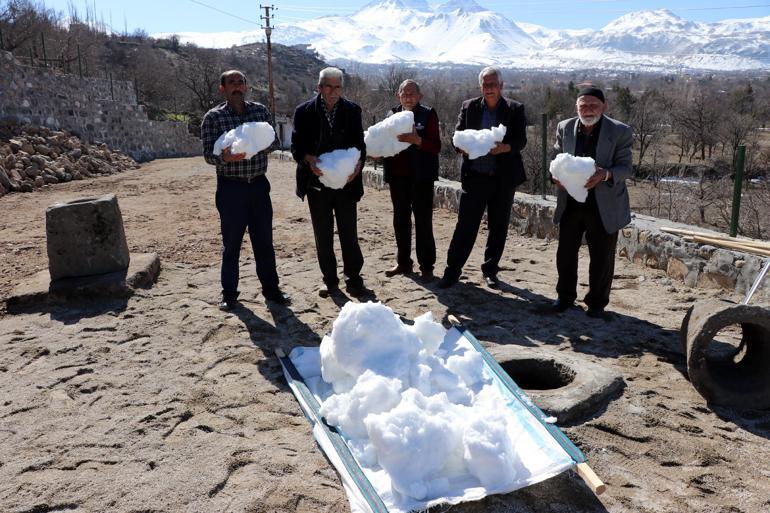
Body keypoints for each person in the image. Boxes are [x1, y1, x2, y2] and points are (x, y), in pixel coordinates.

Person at [201, 69, 289, 310]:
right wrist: (225, 159)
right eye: (232, 83)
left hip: (259, 186)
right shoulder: (213, 118)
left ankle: (272, 292)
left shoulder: (259, 111)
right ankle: (229, 295)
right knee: (231, 244)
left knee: (264, 243)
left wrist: (256, 144)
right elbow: (209, 155)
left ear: (246, 86)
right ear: (223, 88)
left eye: (241, 82)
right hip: (231, 190)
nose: (237, 86)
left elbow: (275, 143)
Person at [438, 66, 527, 289]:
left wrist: (505, 148)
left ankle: (490, 270)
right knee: (466, 226)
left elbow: (521, 141)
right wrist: (463, 148)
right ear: (481, 86)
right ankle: (452, 271)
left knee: (498, 227)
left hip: (502, 178)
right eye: (485, 85)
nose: (489, 88)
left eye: (493, 84)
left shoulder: (515, 109)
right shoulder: (469, 107)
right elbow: (456, 137)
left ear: (501, 86)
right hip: (475, 176)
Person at [551, 85, 633, 319]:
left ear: (604, 106)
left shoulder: (620, 131)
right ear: (576, 107)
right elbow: (556, 158)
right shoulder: (564, 127)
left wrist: (604, 174)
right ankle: (565, 297)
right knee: (565, 253)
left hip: (603, 205)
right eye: (583, 105)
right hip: (571, 202)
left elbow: (625, 167)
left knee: (602, 257)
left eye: (593, 105)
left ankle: (596, 303)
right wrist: (554, 176)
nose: (588, 110)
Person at [291, 67, 367, 298]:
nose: (334, 91)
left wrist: (358, 166)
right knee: (322, 235)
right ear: (320, 87)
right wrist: (308, 159)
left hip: (346, 183)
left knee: (349, 234)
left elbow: (360, 145)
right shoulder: (303, 111)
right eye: (329, 86)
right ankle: (330, 281)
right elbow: (296, 147)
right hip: (317, 183)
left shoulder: (352, 110)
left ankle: (353, 280)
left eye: (338, 87)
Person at [382, 79, 441, 282]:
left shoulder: (428, 114)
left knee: (423, 221)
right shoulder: (391, 115)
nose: (408, 97)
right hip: (398, 177)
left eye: (412, 93)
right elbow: (384, 144)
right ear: (398, 95)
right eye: (404, 93)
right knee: (400, 220)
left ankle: (427, 266)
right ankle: (403, 262)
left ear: (419, 96)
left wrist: (418, 140)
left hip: (421, 177)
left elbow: (436, 146)